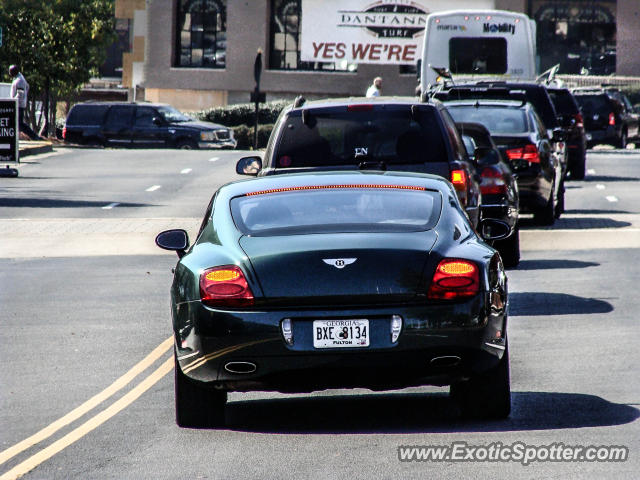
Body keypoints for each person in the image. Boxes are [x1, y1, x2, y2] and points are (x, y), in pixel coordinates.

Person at [9, 65, 42, 140]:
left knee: (19, 124)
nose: (9, 73)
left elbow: (20, 94)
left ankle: (34, 136)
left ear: (15, 71)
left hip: (18, 105)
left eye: (10, 71)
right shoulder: (18, 78)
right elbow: (27, 86)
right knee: (18, 124)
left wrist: (13, 102)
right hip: (18, 104)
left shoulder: (19, 80)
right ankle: (33, 136)